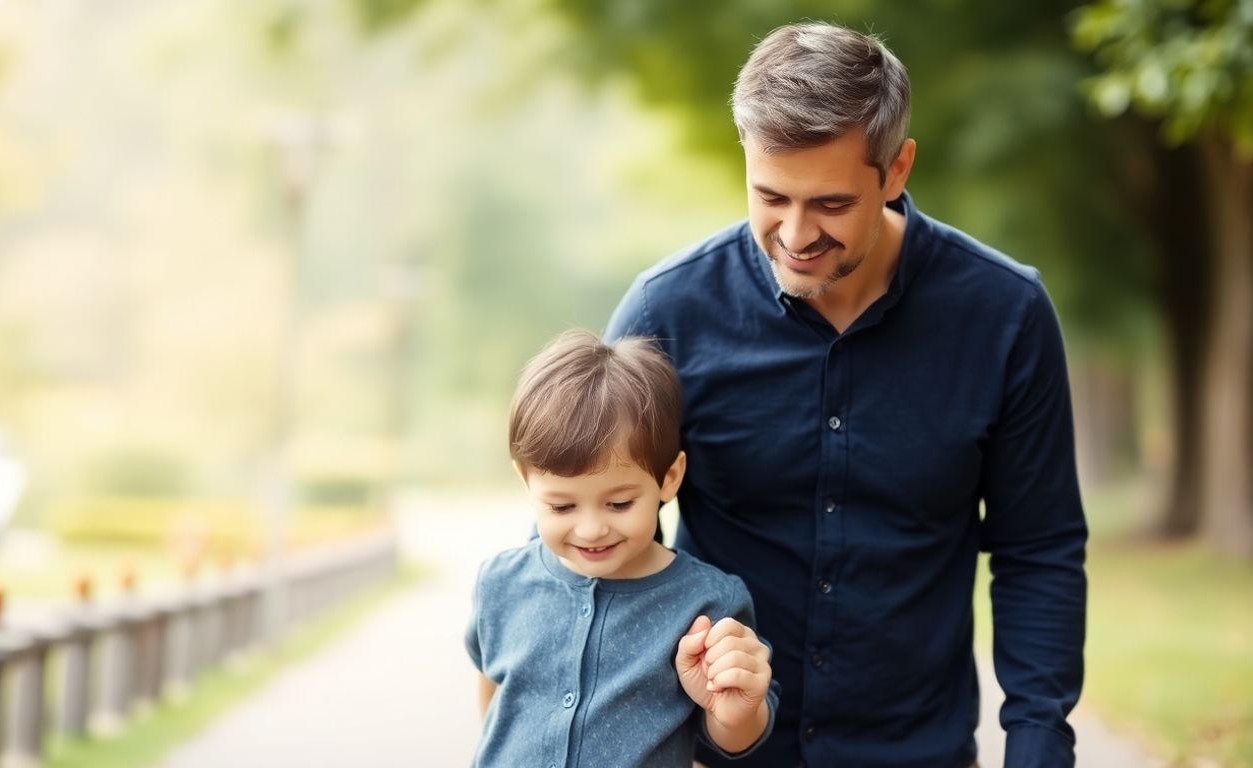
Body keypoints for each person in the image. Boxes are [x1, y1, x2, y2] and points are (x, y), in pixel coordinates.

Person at [604, 22, 1087, 768]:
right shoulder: (664, 315)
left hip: (917, 751)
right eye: (771, 197)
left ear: (896, 170)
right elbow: (603, 540)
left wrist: (1037, 748)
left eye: (830, 203)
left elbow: (1038, 549)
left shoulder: (1006, 315)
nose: (795, 234)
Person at [465, 330, 781, 767]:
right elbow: (494, 696)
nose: (592, 529)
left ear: (668, 479)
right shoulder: (500, 583)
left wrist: (736, 714)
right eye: (561, 505)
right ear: (525, 480)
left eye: (619, 503)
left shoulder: (707, 603)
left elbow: (733, 734)